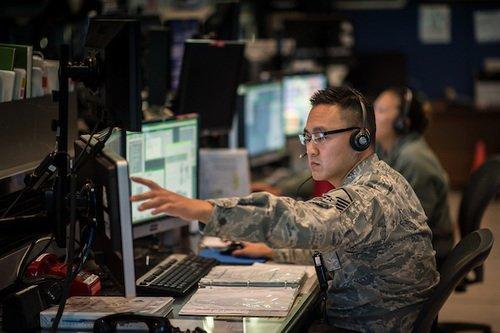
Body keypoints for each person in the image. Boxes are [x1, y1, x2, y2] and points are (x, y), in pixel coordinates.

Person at [131, 87, 438, 332]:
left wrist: (204, 209)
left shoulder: (371, 196)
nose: (311, 149)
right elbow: (334, 244)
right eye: (308, 137)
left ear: (361, 139)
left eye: (322, 136)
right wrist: (269, 251)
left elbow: (304, 220)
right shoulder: (377, 177)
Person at [374, 87, 454, 266]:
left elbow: (411, 227)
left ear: (401, 122)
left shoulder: (413, 159)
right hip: (409, 245)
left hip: (426, 256)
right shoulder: (389, 149)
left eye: (381, 110)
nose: (372, 116)